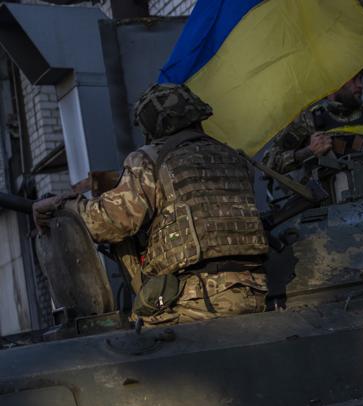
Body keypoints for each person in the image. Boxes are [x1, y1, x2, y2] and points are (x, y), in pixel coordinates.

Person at [32, 83, 269, 326]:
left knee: (133, 343)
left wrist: (62, 206)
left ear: (151, 125)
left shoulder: (150, 159)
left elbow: (108, 221)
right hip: (255, 289)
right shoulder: (234, 158)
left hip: (195, 300)